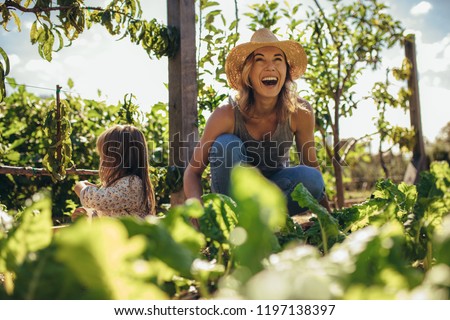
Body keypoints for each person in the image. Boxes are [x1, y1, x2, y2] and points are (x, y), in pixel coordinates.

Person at [183, 28, 331, 217]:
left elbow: (311, 165)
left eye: (278, 59)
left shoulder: (300, 112)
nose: (270, 67)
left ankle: (264, 224)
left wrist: (330, 221)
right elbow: (192, 173)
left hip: (275, 194)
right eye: (260, 60)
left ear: (286, 71)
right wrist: (196, 209)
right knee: (226, 144)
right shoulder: (226, 115)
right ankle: (237, 225)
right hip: (234, 200)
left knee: (312, 179)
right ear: (248, 72)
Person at [73, 124, 156, 219]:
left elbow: (100, 200)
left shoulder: (132, 183)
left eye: (103, 155)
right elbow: (108, 212)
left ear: (116, 158)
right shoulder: (117, 185)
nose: (101, 160)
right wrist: (89, 215)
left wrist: (81, 188)